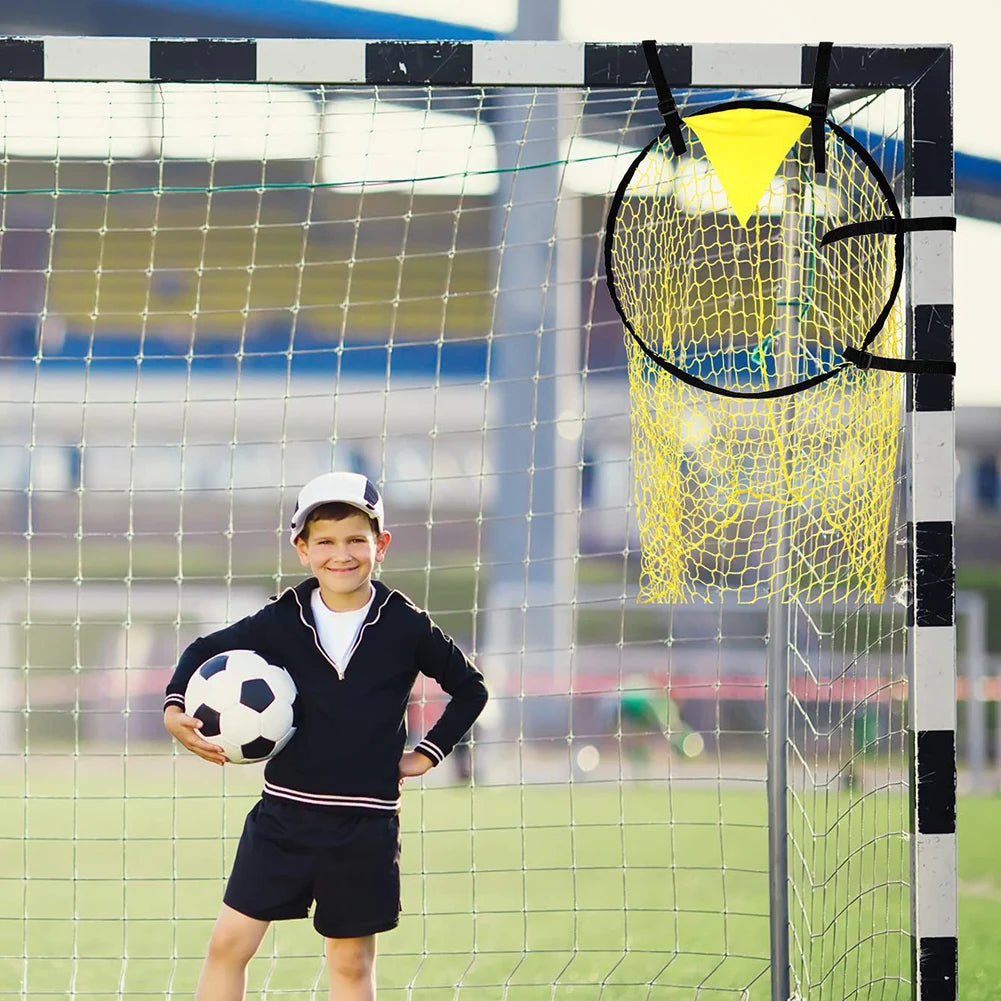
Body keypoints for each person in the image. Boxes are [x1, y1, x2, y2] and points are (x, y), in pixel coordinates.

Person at [163, 471, 488, 1001]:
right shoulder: (282, 618)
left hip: (364, 826)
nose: (343, 554)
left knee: (350, 965)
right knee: (228, 945)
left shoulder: (406, 623)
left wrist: (427, 754)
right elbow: (202, 646)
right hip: (282, 819)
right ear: (303, 549)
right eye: (326, 541)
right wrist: (175, 705)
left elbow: (471, 689)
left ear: (380, 545)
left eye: (357, 539)